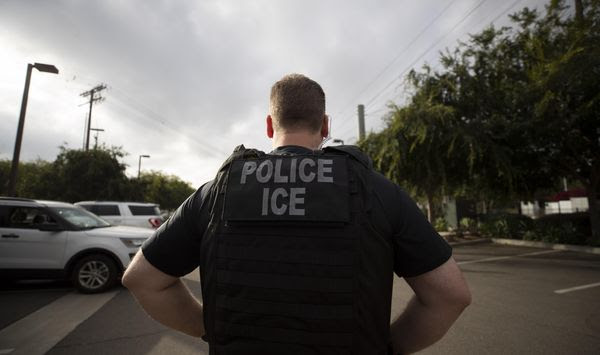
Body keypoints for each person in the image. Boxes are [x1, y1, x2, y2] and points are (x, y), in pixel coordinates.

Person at [123, 73, 471, 354]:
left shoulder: (218, 191)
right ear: (325, 126)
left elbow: (141, 279)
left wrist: (208, 329)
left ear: (270, 126)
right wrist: (390, 346)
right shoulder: (376, 190)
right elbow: (450, 296)